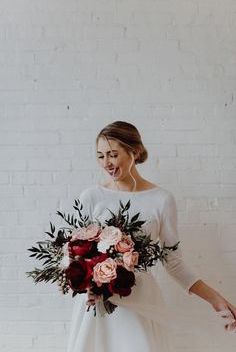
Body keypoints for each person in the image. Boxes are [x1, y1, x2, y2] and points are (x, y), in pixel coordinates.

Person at [66, 121, 236, 352]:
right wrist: (86, 282)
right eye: (100, 156)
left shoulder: (161, 199)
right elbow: (71, 254)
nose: (106, 163)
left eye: (113, 155)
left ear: (134, 152)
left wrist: (215, 299)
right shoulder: (91, 197)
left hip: (140, 298)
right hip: (97, 303)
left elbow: (173, 261)